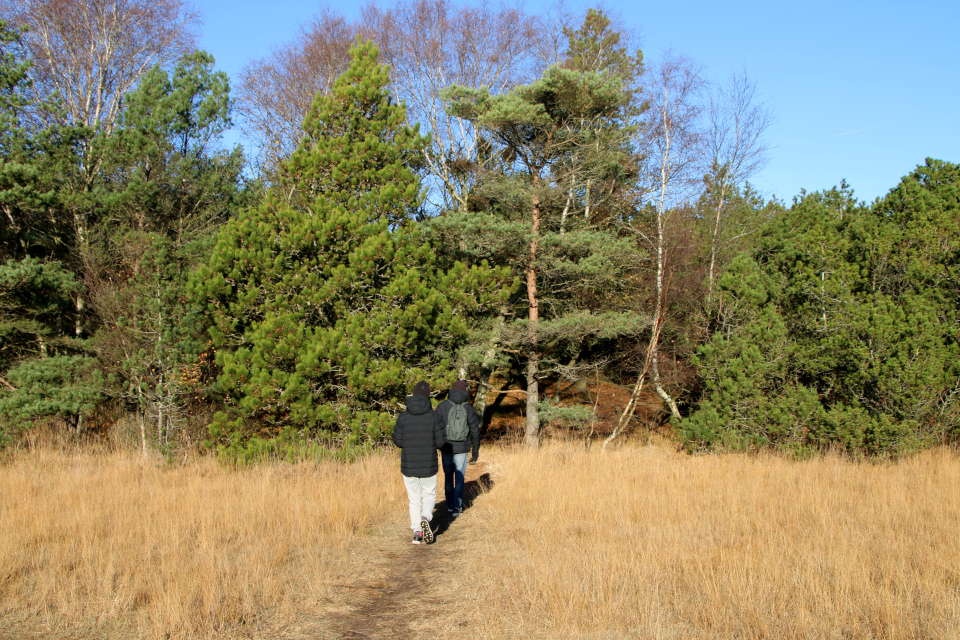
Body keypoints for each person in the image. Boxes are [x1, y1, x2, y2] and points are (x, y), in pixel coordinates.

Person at [392, 380, 446, 544]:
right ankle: (426, 516)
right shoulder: (434, 417)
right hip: (428, 463)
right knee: (429, 493)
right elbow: (441, 442)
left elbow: (398, 441)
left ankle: (417, 533)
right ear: (428, 396)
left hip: (409, 464)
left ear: (413, 395)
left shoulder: (403, 417)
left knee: (414, 498)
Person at [436, 379, 480, 517]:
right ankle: (457, 507)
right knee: (460, 477)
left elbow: (435, 428)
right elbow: (475, 431)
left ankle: (449, 504)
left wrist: (437, 445)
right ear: (465, 392)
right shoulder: (468, 408)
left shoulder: (442, 406)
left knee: (448, 476)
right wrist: (476, 451)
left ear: (452, 390)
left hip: (446, 447)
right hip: (462, 447)